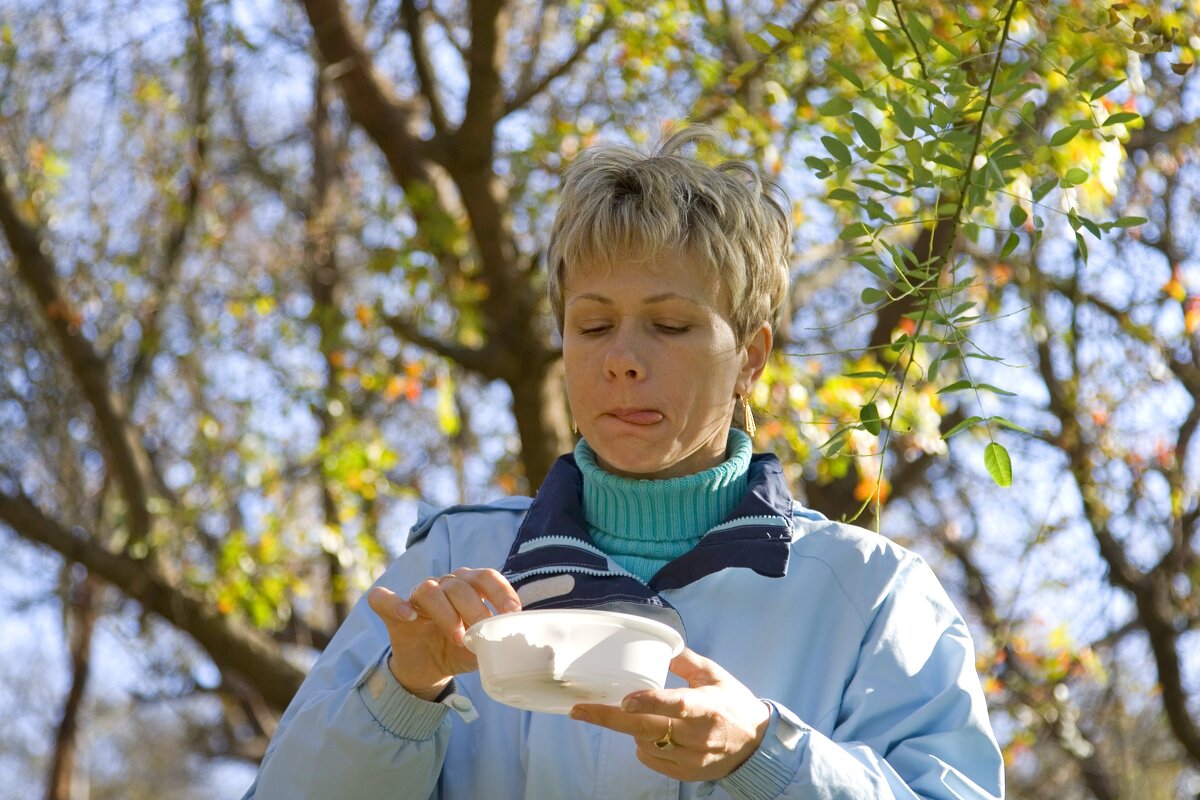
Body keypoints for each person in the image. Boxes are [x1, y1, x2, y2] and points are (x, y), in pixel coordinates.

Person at [243, 126, 1004, 800]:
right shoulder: (448, 565)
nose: (623, 361)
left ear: (751, 357)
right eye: (593, 324)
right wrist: (405, 691)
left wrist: (765, 756)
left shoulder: (872, 596)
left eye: (670, 325)